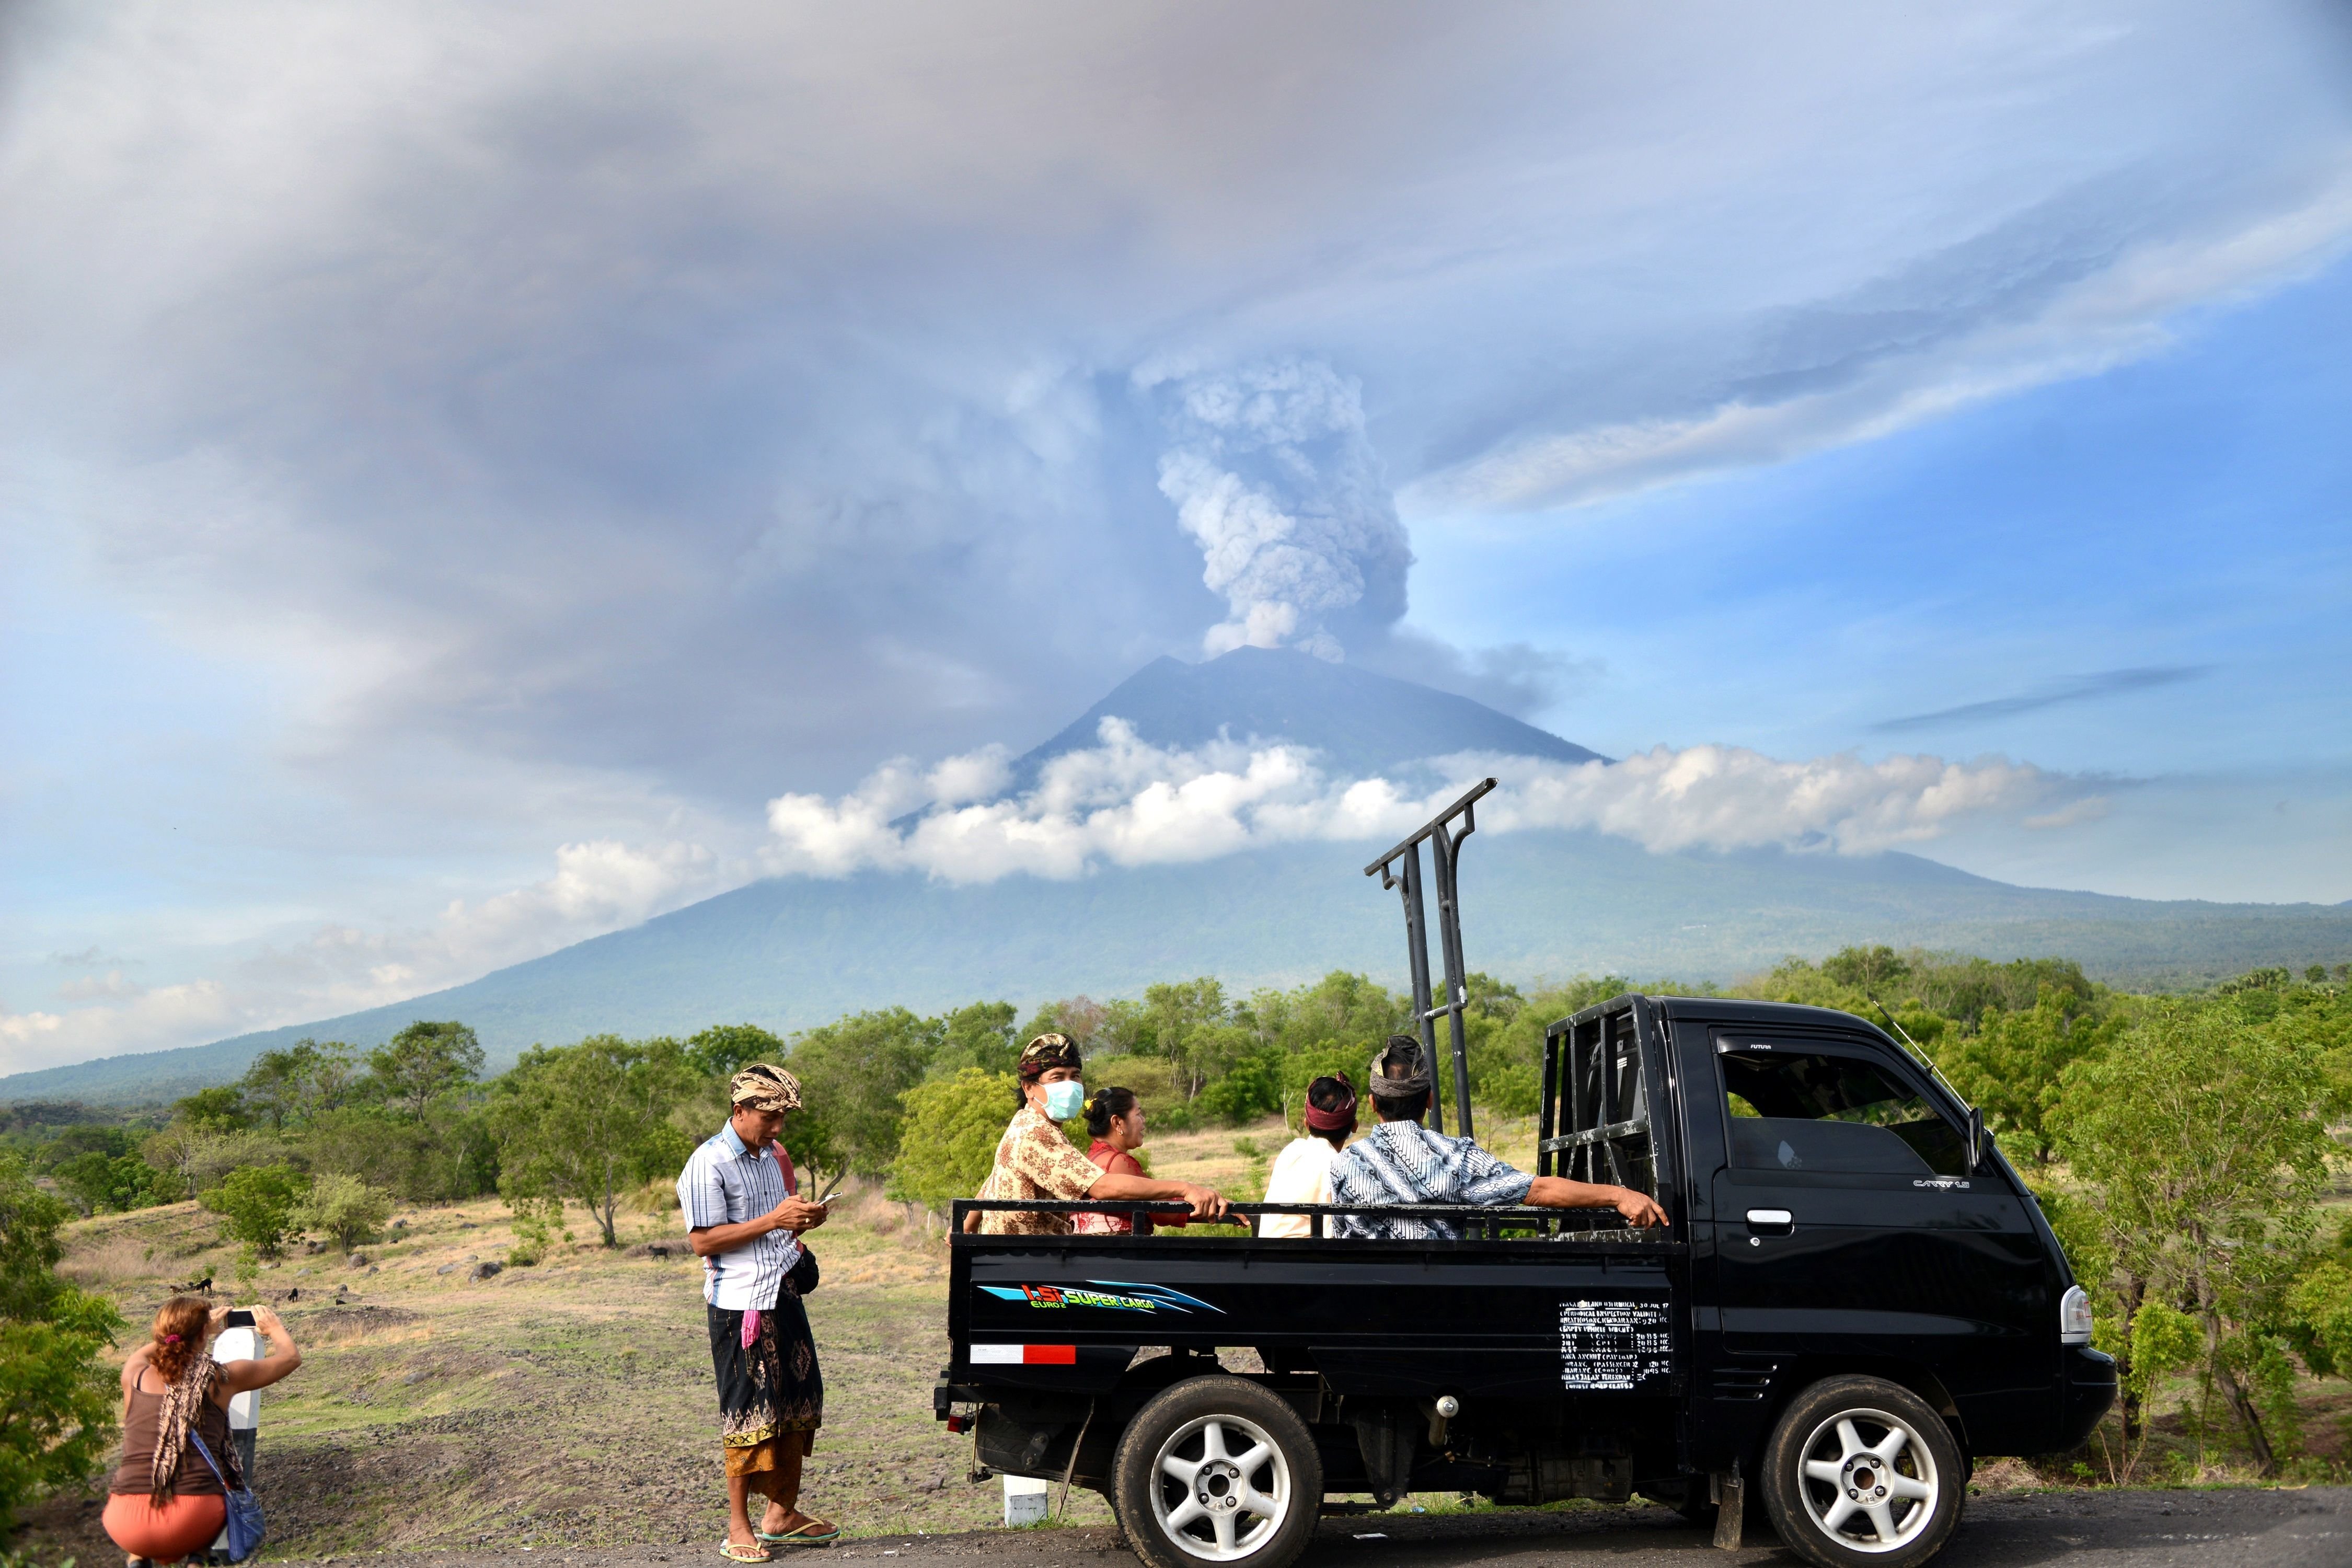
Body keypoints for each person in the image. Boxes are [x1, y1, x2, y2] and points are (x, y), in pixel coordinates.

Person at [680, 1063, 834, 1560]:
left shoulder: (768, 1157)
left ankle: (781, 1514)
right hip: (741, 1303)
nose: (777, 1127)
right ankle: (738, 1526)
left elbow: (773, 1231)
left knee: (799, 1401)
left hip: (782, 1290)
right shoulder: (709, 1162)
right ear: (739, 1110)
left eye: (782, 1116)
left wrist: (804, 1220)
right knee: (748, 1411)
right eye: (769, 1116)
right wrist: (774, 1218)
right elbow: (703, 1241)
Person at [1329, 1035, 1669, 1240]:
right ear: (1430, 1099)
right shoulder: (1457, 1158)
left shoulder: (1344, 1164)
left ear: (1372, 1103)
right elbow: (1539, 1190)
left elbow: (1341, 1242)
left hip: (1369, 1313)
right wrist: (1619, 1195)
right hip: (1438, 1312)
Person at [965, 1033, 1230, 1235]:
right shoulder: (1035, 1133)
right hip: (1031, 1264)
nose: (1069, 1085)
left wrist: (965, 1227)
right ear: (1029, 1088)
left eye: (1075, 1076)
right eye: (1057, 1077)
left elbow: (995, 1178)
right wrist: (1186, 1188)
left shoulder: (1026, 1124)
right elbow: (1104, 1187)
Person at [105, 1297, 301, 1567]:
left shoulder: (133, 1375)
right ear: (202, 1335)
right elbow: (290, 1358)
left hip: (124, 1521)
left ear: (162, 1336)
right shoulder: (220, 1377)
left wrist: (190, 1331)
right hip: (192, 1518)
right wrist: (273, 1327)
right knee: (211, 1493)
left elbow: (141, 1354)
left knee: (142, 1515)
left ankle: (137, 1558)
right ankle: (199, 1558)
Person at [1069, 1088, 1186, 1236]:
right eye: (1138, 1114)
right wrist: (1200, 1198)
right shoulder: (1117, 1162)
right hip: (1119, 1256)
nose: (1143, 1120)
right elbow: (1166, 1212)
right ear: (1118, 1122)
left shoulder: (1090, 1159)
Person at [1258, 1074, 1357, 1239]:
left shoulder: (1291, 1151)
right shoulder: (1340, 1166)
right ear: (1354, 1127)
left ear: (1306, 1124)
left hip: (1266, 1257)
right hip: (1307, 1261)